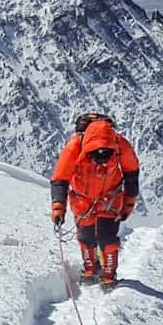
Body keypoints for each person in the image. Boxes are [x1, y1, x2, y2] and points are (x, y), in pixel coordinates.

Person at [50, 112, 139, 286]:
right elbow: (60, 178)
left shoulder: (119, 144)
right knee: (86, 237)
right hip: (85, 200)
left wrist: (128, 204)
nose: (101, 161)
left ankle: (107, 276)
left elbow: (131, 175)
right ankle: (93, 270)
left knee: (107, 238)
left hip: (109, 198)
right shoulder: (75, 146)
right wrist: (58, 207)